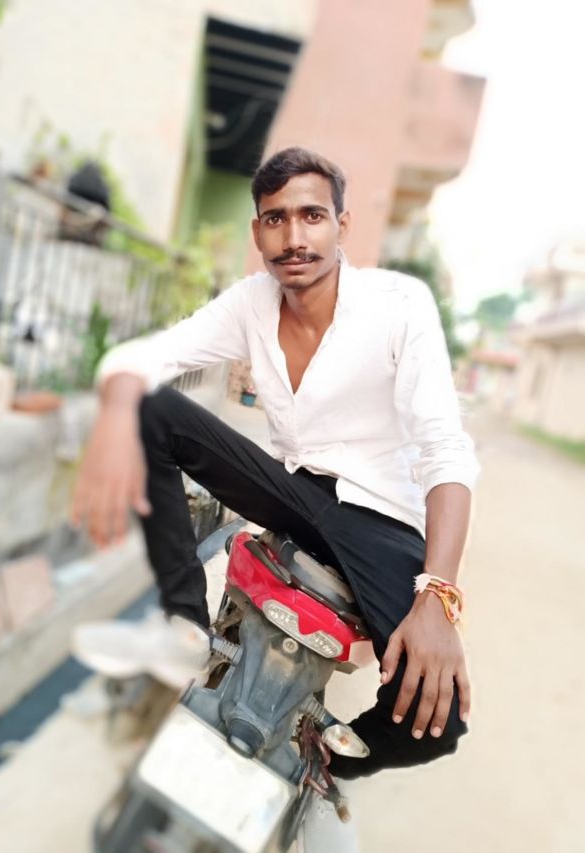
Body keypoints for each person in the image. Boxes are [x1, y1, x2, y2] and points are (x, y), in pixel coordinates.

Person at [71, 147, 478, 784]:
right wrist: (115, 413)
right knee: (149, 408)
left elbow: (445, 448)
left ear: (342, 225)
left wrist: (438, 595)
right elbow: (146, 356)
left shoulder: (399, 304)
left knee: (439, 723)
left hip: (381, 521)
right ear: (258, 231)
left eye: (312, 215)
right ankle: (184, 629)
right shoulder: (251, 303)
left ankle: (318, 758)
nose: (294, 237)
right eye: (275, 219)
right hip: (294, 493)